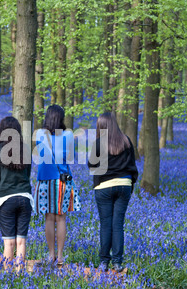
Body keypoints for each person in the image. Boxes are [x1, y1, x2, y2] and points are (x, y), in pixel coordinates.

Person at [87, 112, 138, 273]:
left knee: (106, 224)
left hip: (104, 187)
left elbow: (91, 165)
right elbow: (132, 164)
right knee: (118, 225)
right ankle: (117, 262)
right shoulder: (126, 141)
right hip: (124, 185)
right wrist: (130, 182)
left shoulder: (98, 143)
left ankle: (104, 262)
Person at [34, 104, 81, 267]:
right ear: (61, 118)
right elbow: (69, 158)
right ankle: (60, 257)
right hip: (62, 180)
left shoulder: (40, 133)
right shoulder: (68, 135)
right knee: (61, 218)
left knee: (49, 217)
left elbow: (40, 155)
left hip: (45, 179)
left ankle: (51, 255)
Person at [0, 116, 33, 269]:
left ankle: (8, 277)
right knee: (21, 240)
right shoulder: (25, 149)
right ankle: (20, 274)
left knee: (9, 242)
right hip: (25, 198)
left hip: (5, 199)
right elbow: (28, 175)